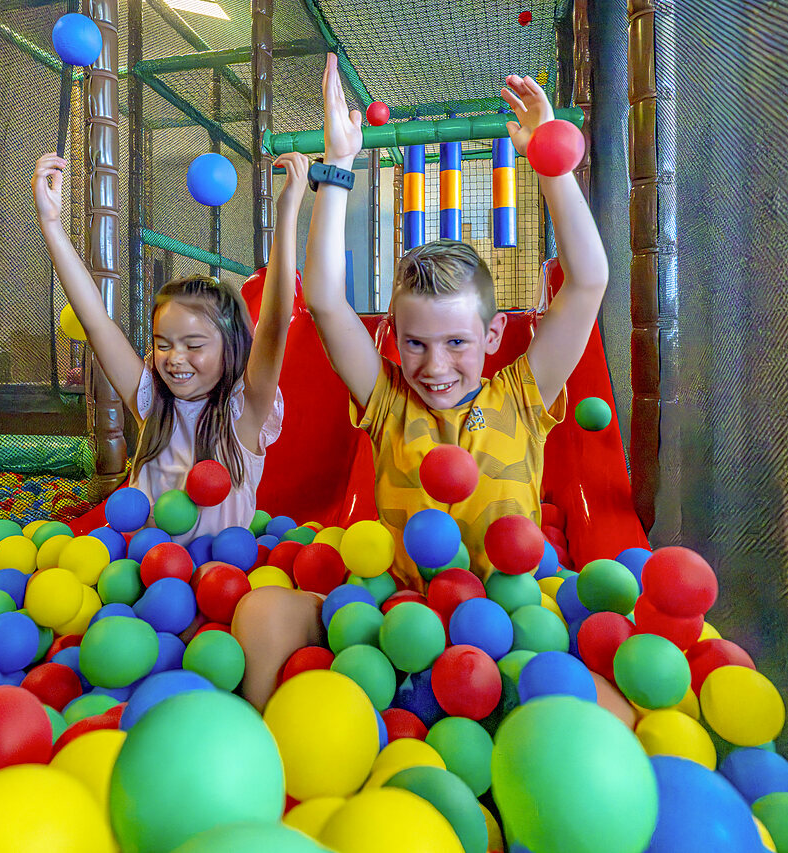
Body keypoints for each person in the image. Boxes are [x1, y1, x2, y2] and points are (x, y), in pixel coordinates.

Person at [233, 55, 609, 708]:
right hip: (397, 615)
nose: (434, 366)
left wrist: (551, 167)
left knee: (596, 700)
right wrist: (338, 166)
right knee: (259, 611)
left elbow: (588, 283)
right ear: (392, 340)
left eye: (457, 343)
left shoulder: (523, 393)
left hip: (507, 620)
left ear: (492, 339)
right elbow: (323, 301)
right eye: (416, 344)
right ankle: (263, 750)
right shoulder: (386, 403)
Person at [32, 150, 309, 546]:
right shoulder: (151, 400)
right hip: (145, 577)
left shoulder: (243, 413)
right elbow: (95, 321)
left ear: (230, 348)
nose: (175, 358)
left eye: (193, 345)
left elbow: (277, 321)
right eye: (163, 344)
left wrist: (288, 210)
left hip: (220, 580)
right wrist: (51, 224)